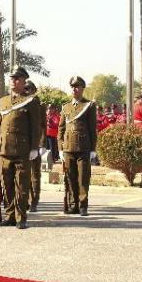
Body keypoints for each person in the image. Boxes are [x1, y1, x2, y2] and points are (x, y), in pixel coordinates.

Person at [0, 66, 42, 229]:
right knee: (6, 186)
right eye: (12, 78)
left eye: (17, 79)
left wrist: (35, 147)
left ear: (23, 81)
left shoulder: (31, 100)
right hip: (4, 150)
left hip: (22, 151)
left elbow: (36, 126)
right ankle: (10, 215)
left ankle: (21, 217)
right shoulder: (3, 101)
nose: (13, 81)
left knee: (21, 185)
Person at [59, 75, 97, 216]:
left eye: (77, 86)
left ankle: (82, 205)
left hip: (83, 147)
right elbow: (61, 128)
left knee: (83, 178)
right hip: (68, 147)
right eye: (72, 87)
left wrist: (93, 149)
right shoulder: (65, 107)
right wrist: (59, 148)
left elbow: (92, 128)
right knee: (70, 178)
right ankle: (73, 205)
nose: (74, 89)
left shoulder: (89, 105)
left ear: (82, 88)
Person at [25, 80, 47, 211]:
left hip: (36, 144)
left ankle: (34, 200)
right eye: (25, 89)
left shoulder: (40, 105)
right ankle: (27, 198)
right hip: (24, 143)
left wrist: (42, 144)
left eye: (29, 89)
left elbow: (43, 126)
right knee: (24, 174)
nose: (27, 91)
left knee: (35, 174)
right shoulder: (22, 103)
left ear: (34, 90)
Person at [45, 103, 60, 170]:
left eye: (51, 108)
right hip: (46, 134)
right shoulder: (46, 115)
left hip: (52, 135)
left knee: (52, 148)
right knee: (46, 148)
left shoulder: (56, 116)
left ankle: (53, 159)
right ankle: (46, 160)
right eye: (48, 108)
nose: (49, 110)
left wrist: (50, 122)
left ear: (54, 109)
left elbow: (56, 124)